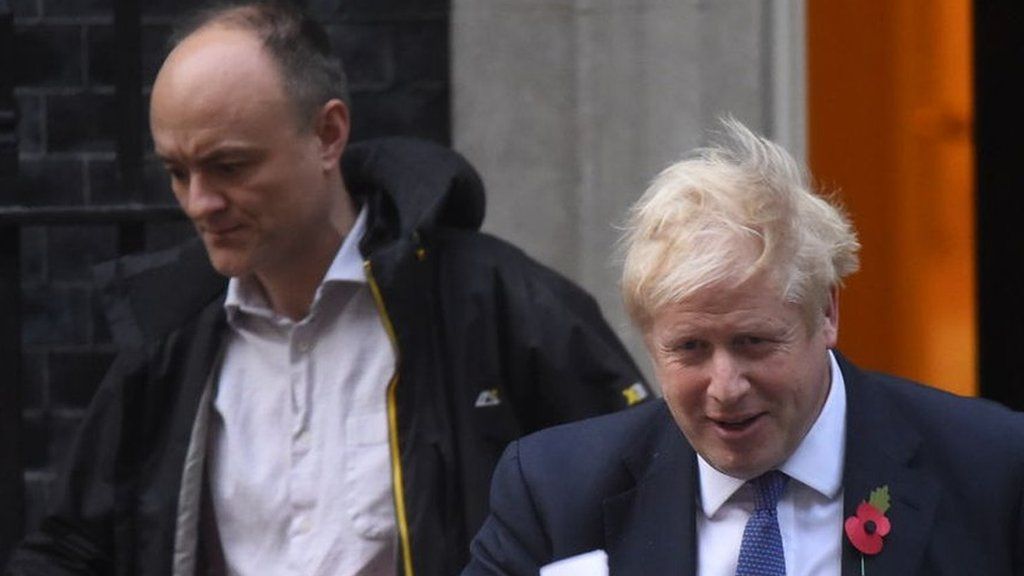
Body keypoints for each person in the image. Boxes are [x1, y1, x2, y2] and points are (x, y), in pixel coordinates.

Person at [4, 2, 650, 575]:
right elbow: (71, 547)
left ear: (328, 134)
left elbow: (648, 506)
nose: (200, 202)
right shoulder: (168, 339)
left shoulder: (501, 306)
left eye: (229, 165)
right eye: (177, 171)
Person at [463, 119, 1024, 575]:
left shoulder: (992, 469)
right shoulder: (554, 491)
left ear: (826, 312)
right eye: (689, 348)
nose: (725, 387)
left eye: (754, 343)